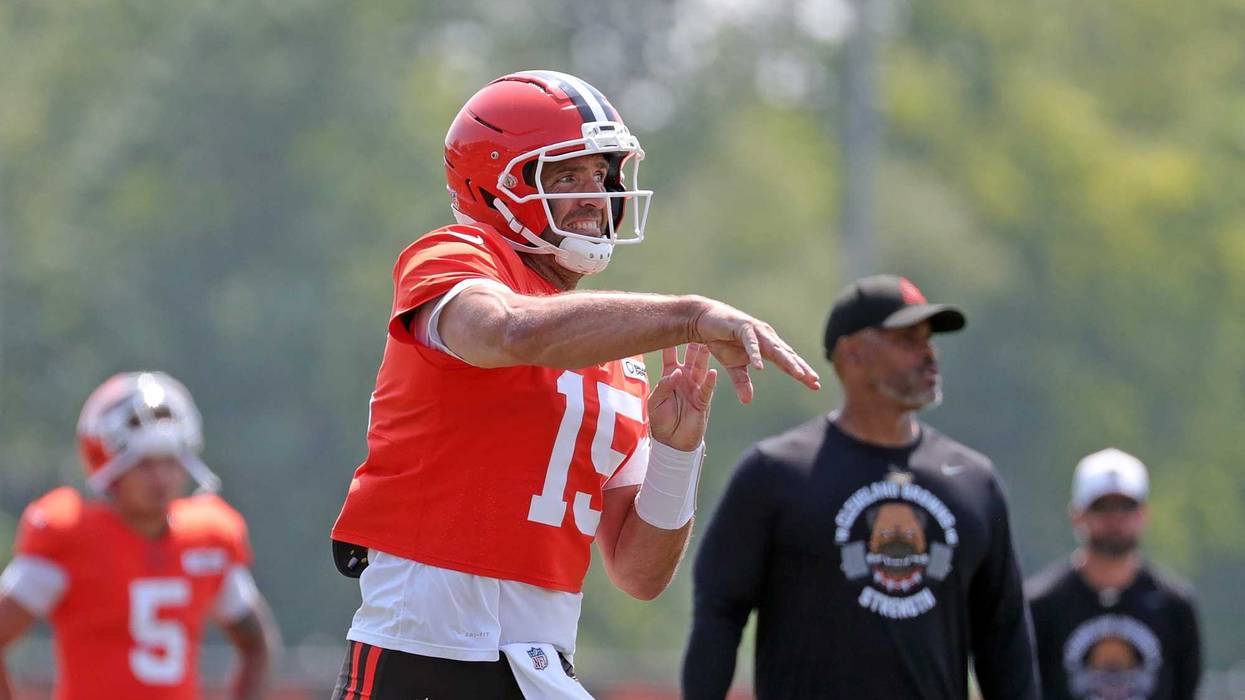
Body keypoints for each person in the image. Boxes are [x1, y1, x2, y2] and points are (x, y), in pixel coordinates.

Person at [328, 69, 821, 699]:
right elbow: (505, 332)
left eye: (604, 176)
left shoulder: (615, 347)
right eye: (566, 176)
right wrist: (686, 314)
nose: (596, 196)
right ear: (495, 186)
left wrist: (676, 453)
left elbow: (640, 572)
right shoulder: (456, 255)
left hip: (539, 662)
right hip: (425, 648)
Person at [682, 274, 1039, 700]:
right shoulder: (776, 474)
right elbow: (718, 615)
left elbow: (1005, 641)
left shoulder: (974, 482)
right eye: (907, 340)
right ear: (853, 353)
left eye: (929, 339)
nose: (928, 354)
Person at [0, 371, 279, 700]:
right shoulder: (71, 535)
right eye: (145, 463)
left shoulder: (206, 537)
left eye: (169, 462)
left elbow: (257, 645)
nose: (160, 478)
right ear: (112, 467)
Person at [1026, 448, 1202, 700]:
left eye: (1126, 507)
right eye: (1102, 507)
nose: (1115, 519)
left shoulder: (1174, 606)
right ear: (1077, 515)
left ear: (1144, 514)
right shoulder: (1041, 605)